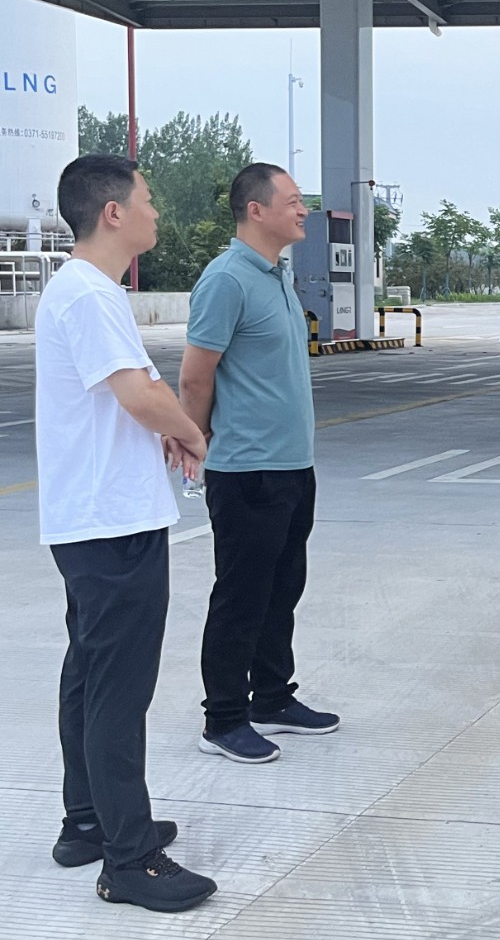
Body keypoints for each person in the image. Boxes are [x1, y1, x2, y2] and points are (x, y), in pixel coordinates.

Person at [37, 154, 216, 911]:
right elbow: (139, 393)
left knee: (90, 674)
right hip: (110, 523)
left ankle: (88, 822)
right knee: (117, 689)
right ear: (113, 212)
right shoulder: (89, 293)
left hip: (95, 519)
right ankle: (130, 858)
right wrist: (190, 432)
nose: (154, 211)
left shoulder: (85, 290)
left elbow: (131, 398)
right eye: (146, 199)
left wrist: (162, 423)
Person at [180, 163, 337, 765]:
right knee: (241, 596)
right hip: (247, 470)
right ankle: (223, 718)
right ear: (256, 210)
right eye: (293, 201)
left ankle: (271, 696)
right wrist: (196, 439)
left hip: (293, 464)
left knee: (282, 589)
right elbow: (196, 377)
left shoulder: (275, 275)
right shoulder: (226, 279)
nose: (303, 210)